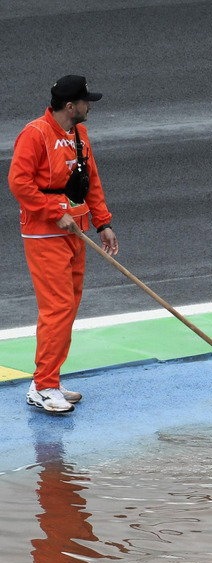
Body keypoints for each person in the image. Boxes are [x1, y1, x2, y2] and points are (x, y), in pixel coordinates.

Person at [9, 76, 118, 414]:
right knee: (56, 309)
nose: (90, 107)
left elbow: (91, 181)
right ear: (70, 106)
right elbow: (19, 182)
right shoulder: (35, 134)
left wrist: (103, 223)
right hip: (45, 234)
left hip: (77, 231)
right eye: (86, 102)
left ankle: (49, 379)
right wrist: (54, 212)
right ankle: (42, 387)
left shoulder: (79, 134)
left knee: (68, 308)